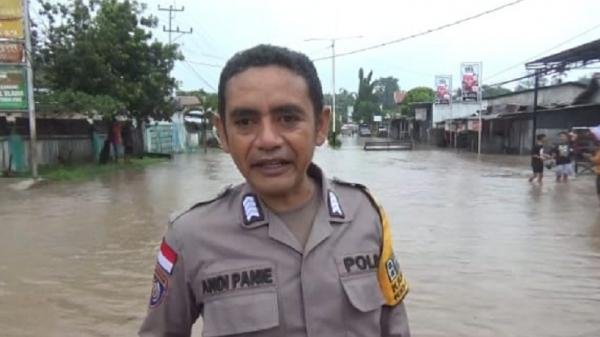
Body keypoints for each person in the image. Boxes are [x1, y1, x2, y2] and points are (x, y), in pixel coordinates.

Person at [139, 45, 410, 337]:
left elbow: (394, 326)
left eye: (288, 118)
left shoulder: (366, 216)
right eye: (245, 122)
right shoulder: (189, 236)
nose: (267, 140)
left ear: (320, 125)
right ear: (223, 133)